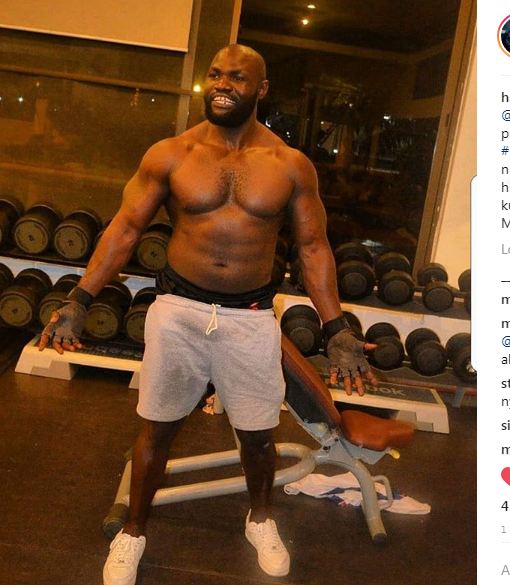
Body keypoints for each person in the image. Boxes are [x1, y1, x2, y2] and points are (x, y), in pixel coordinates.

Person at [38, 43, 377, 585]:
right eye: (215, 74)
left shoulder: (289, 165)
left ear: (260, 90)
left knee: (259, 435)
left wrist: (336, 328)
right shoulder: (171, 154)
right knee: (157, 429)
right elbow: (125, 229)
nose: (221, 85)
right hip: (178, 311)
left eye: (236, 78)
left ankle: (260, 520)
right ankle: (133, 533)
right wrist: (78, 299)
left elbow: (314, 248)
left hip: (250, 318)